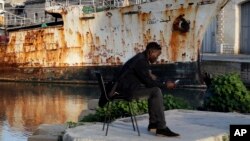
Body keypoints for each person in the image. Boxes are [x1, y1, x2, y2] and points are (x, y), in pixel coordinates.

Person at [115, 42, 180, 137]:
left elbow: (148, 78)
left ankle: (153, 123)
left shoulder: (141, 58)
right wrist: (165, 85)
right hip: (127, 92)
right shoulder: (141, 61)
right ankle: (161, 128)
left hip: (126, 88)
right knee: (156, 91)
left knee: (153, 89)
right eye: (157, 55)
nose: (157, 58)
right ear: (150, 52)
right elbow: (149, 82)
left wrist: (160, 81)